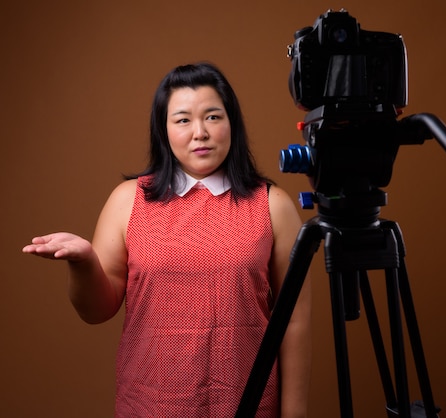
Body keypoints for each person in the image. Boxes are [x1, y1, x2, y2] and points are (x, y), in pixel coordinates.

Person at [22, 62, 312, 417]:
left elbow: (294, 322)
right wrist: (83, 263)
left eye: (213, 117)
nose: (200, 132)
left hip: (248, 405)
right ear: (164, 129)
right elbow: (96, 311)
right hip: (150, 405)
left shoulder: (272, 204)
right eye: (183, 119)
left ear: (232, 123)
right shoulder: (128, 199)